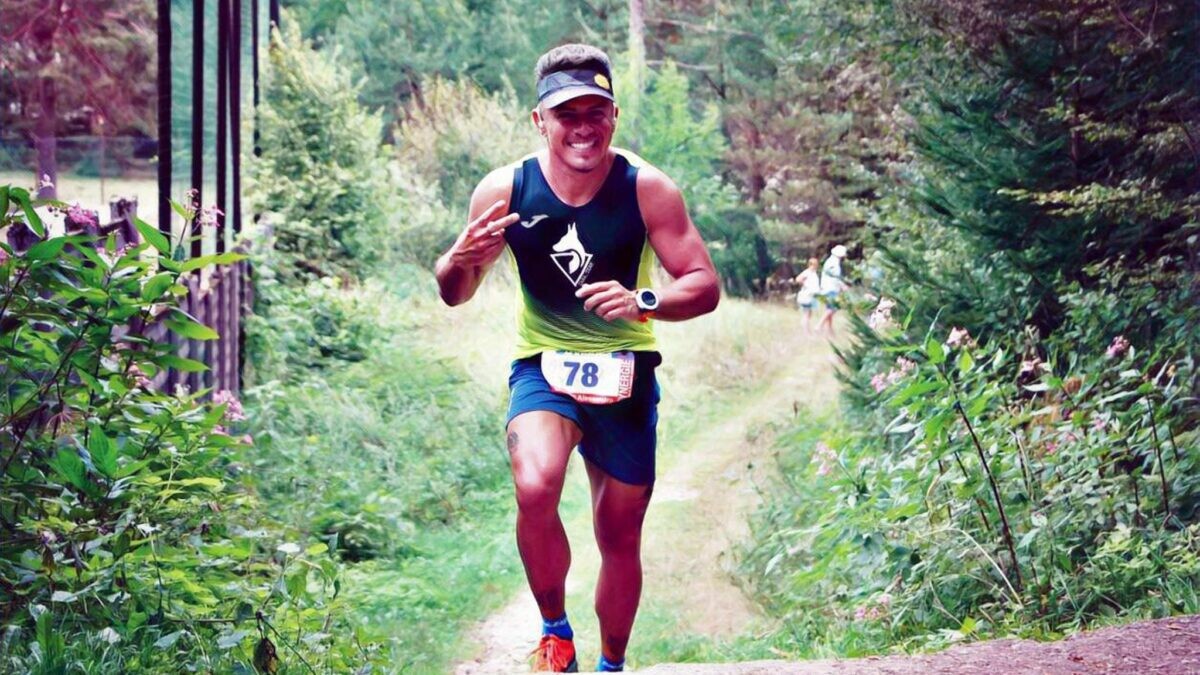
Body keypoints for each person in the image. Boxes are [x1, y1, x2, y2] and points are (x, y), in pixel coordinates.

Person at [434, 44, 720, 673]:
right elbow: (455, 292)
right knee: (535, 484)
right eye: (567, 114)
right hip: (544, 364)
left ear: (614, 115)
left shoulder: (647, 188)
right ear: (540, 120)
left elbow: (704, 285)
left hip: (626, 370)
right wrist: (457, 258)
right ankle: (555, 634)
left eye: (596, 111)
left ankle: (612, 663)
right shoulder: (506, 189)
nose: (583, 127)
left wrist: (643, 300)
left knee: (618, 533)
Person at [818, 244, 848, 335]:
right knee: (833, 308)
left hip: (826, 287)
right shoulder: (834, 264)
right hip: (831, 288)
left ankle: (830, 330)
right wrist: (842, 285)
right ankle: (819, 326)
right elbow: (835, 277)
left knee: (829, 308)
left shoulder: (830, 261)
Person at [793, 257, 820, 333]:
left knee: (809, 314)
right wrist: (804, 284)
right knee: (806, 313)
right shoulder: (807, 272)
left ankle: (807, 330)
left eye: (816, 264)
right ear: (810, 265)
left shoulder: (813, 273)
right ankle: (806, 331)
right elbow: (798, 279)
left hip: (812, 295)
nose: (815, 266)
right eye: (813, 264)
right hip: (806, 295)